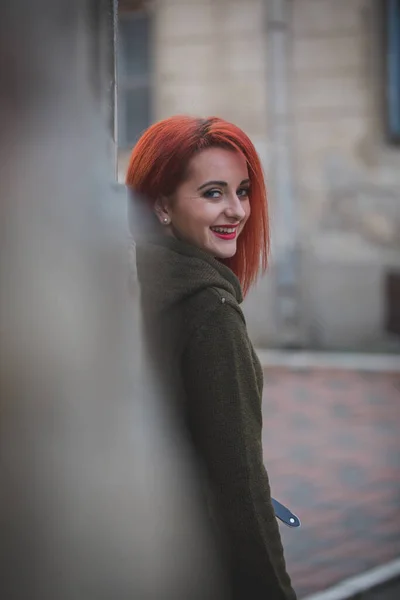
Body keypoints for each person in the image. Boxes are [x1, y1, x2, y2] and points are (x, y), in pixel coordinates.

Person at [126, 115, 297, 600]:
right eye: (213, 193)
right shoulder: (210, 314)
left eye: (242, 191)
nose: (238, 211)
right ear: (161, 204)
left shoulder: (127, 281)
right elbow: (238, 484)